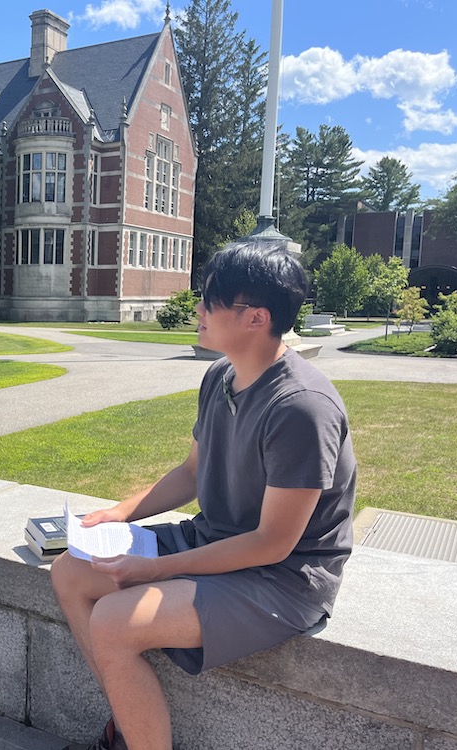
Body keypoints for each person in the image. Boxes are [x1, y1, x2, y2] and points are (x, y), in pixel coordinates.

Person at [51, 241, 357, 750]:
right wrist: (119, 513)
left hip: (283, 578)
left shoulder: (303, 408)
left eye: (210, 300)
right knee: (69, 571)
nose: (198, 309)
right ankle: (130, 726)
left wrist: (152, 570)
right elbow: (192, 472)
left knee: (114, 621)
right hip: (214, 537)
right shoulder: (219, 377)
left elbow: (273, 544)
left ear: (256, 318)